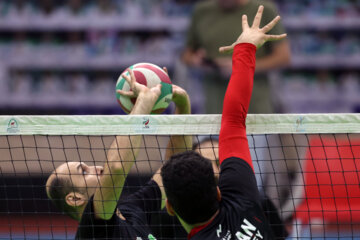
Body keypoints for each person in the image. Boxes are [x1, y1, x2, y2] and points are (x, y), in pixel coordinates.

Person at [161, 6, 287, 239]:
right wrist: (245, 48)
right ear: (219, 193)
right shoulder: (244, 200)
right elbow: (234, 119)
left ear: (170, 207)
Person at [46, 68, 192, 239]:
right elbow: (116, 168)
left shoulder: (132, 210)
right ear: (75, 199)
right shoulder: (92, 230)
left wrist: (182, 104)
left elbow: (174, 170)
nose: (98, 168)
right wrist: (143, 102)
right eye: (84, 172)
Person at [182, 0, 290, 114]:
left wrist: (242, 67)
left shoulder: (264, 9)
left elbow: (283, 57)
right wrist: (197, 60)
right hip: (214, 107)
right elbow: (187, 55)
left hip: (255, 108)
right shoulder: (201, 11)